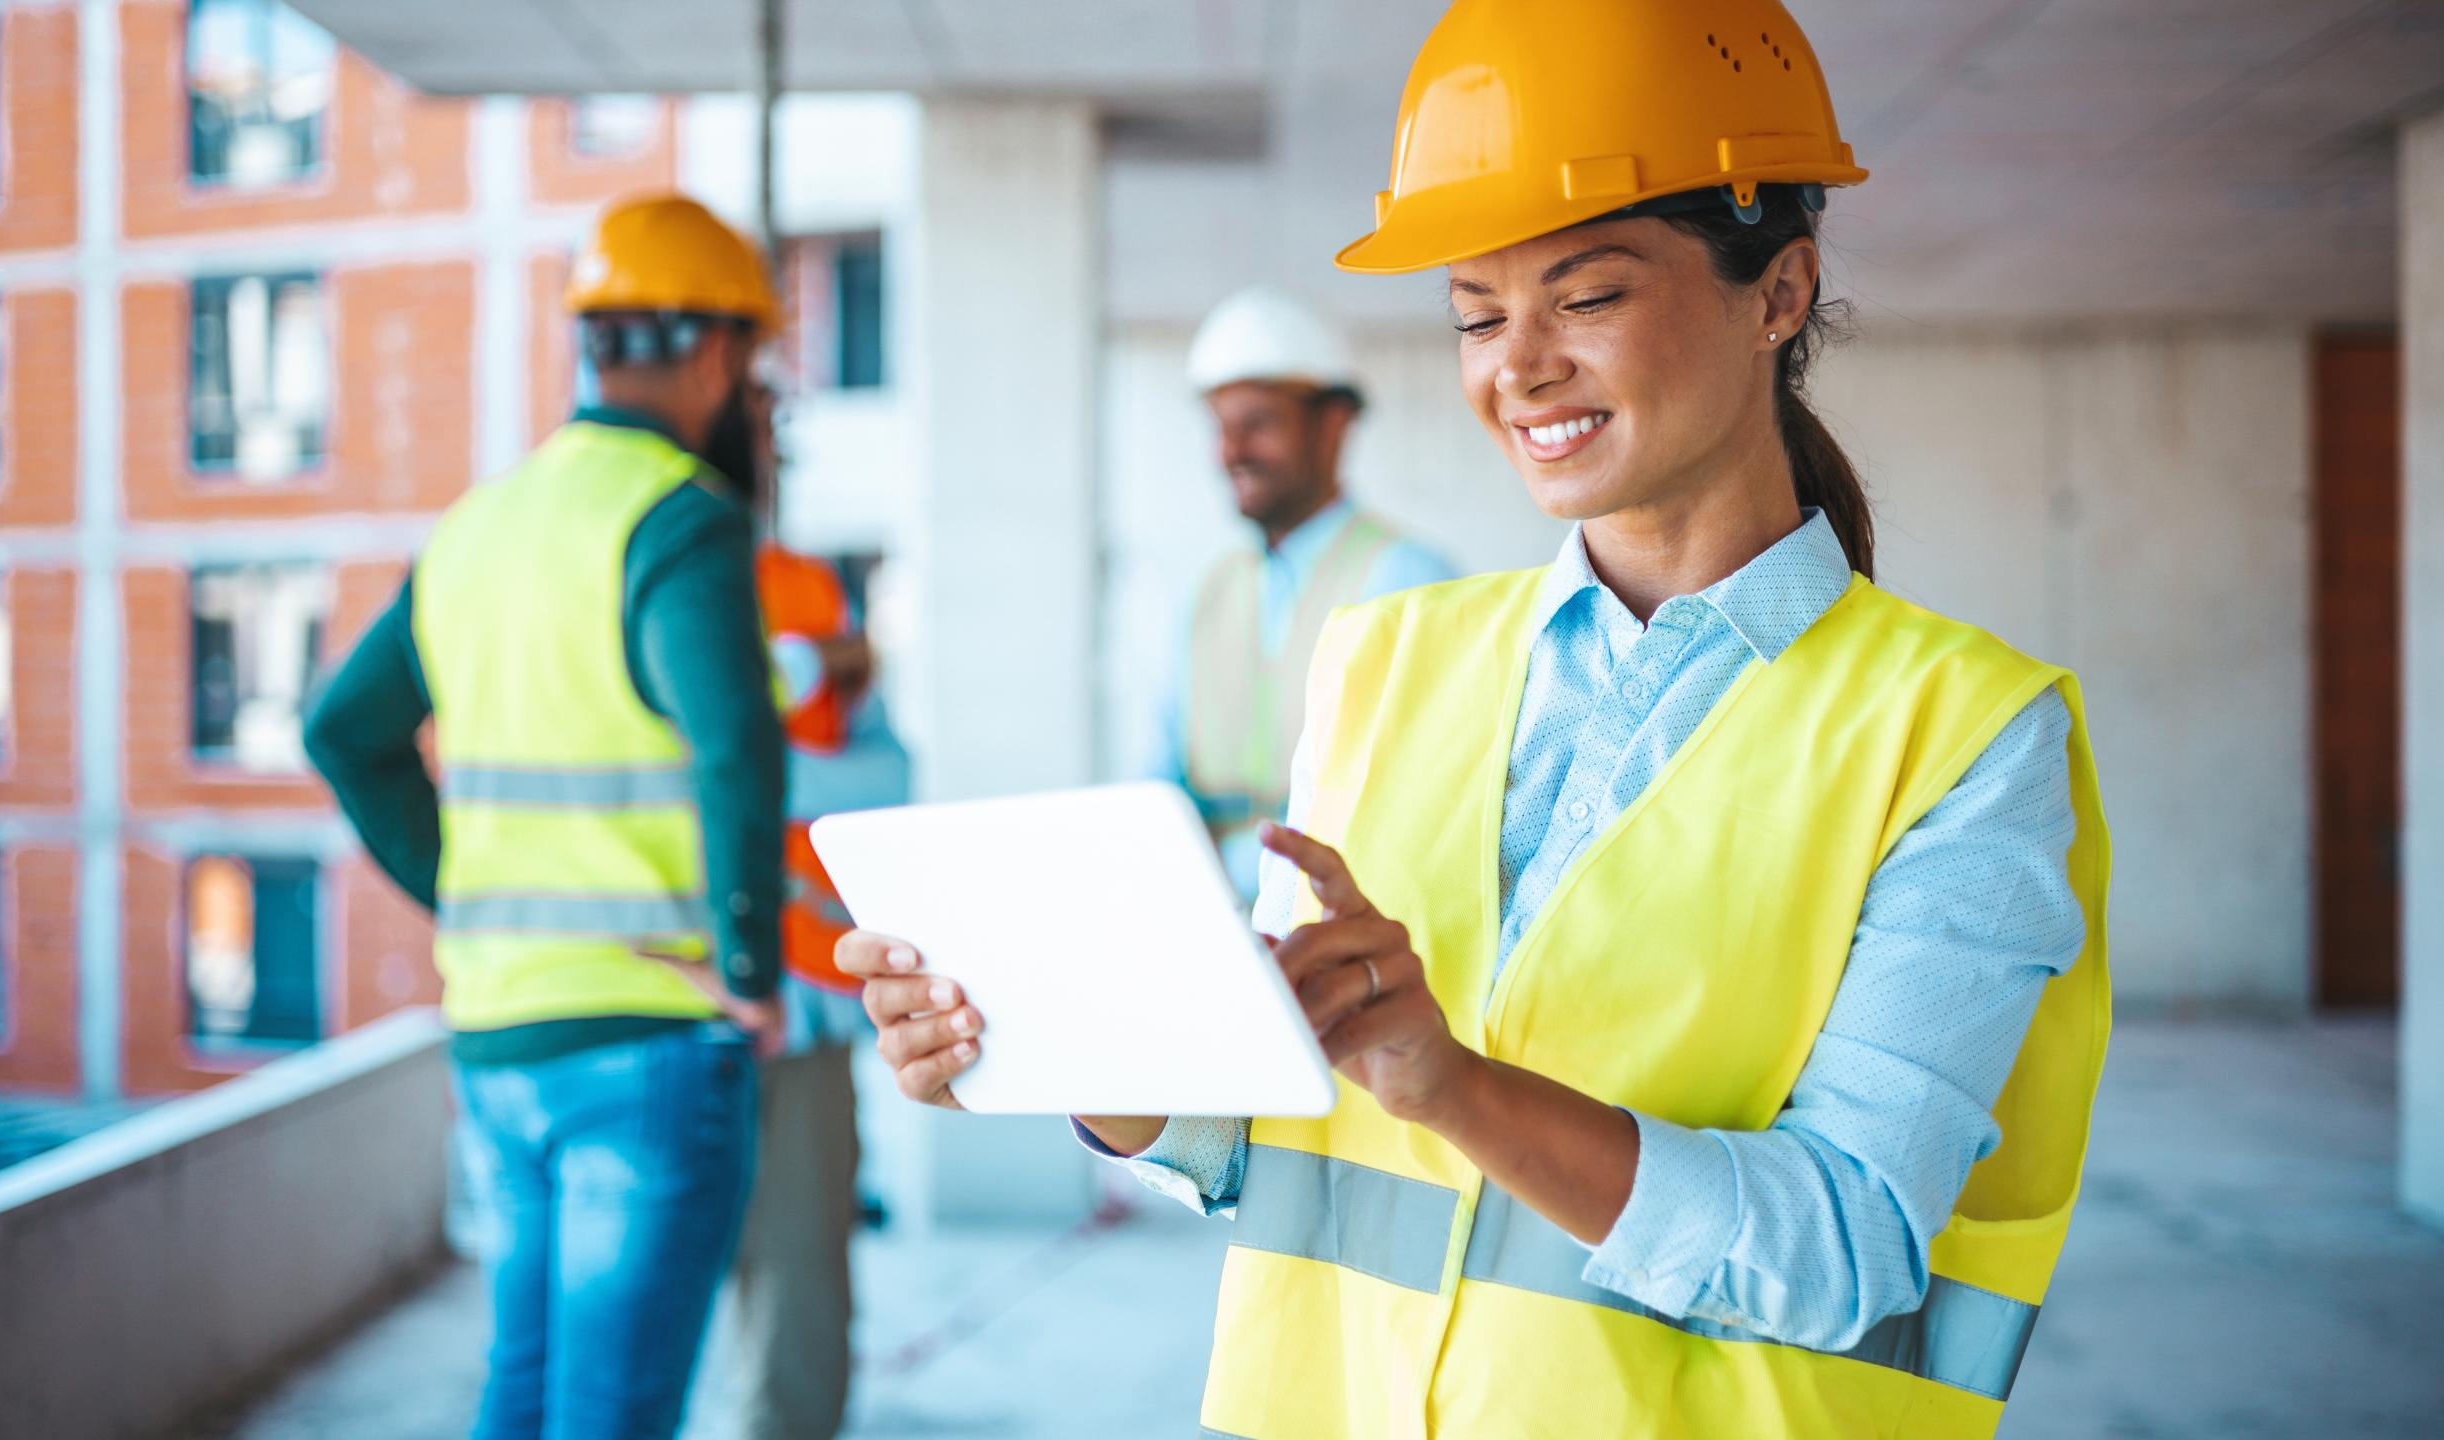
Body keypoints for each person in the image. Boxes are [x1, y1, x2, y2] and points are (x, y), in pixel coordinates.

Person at [838, 1, 2111, 1435]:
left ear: (1779, 290)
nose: (1519, 366)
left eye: (1587, 296)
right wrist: (1060, 1051)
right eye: (1475, 314)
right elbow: (1273, 1135)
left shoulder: (1964, 736)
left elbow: (1841, 1253)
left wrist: (1450, 1083)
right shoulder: (1386, 661)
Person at [304, 191, 789, 1440]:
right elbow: (736, 745)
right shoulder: (681, 518)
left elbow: (344, 732)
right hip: (650, 1036)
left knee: (523, 1394)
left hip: (499, 1037)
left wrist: (466, 888)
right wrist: (751, 968)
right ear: (722, 350)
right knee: (611, 1416)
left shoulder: (480, 523)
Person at [723, 398, 911, 1440]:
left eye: (765, 438)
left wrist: (763, 747)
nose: (759, 459)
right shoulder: (644, 578)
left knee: (797, 1285)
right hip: (663, 990)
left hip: (803, 996)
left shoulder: (806, 587)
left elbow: (887, 772)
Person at [1160, 287, 1456, 901]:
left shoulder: (1409, 579)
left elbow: (1403, 799)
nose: (1231, 451)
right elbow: (1158, 778)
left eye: (1258, 424)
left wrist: (1220, 869)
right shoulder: (1209, 592)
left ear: (1333, 426)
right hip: (1211, 921)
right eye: (1220, 427)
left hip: (1342, 929)